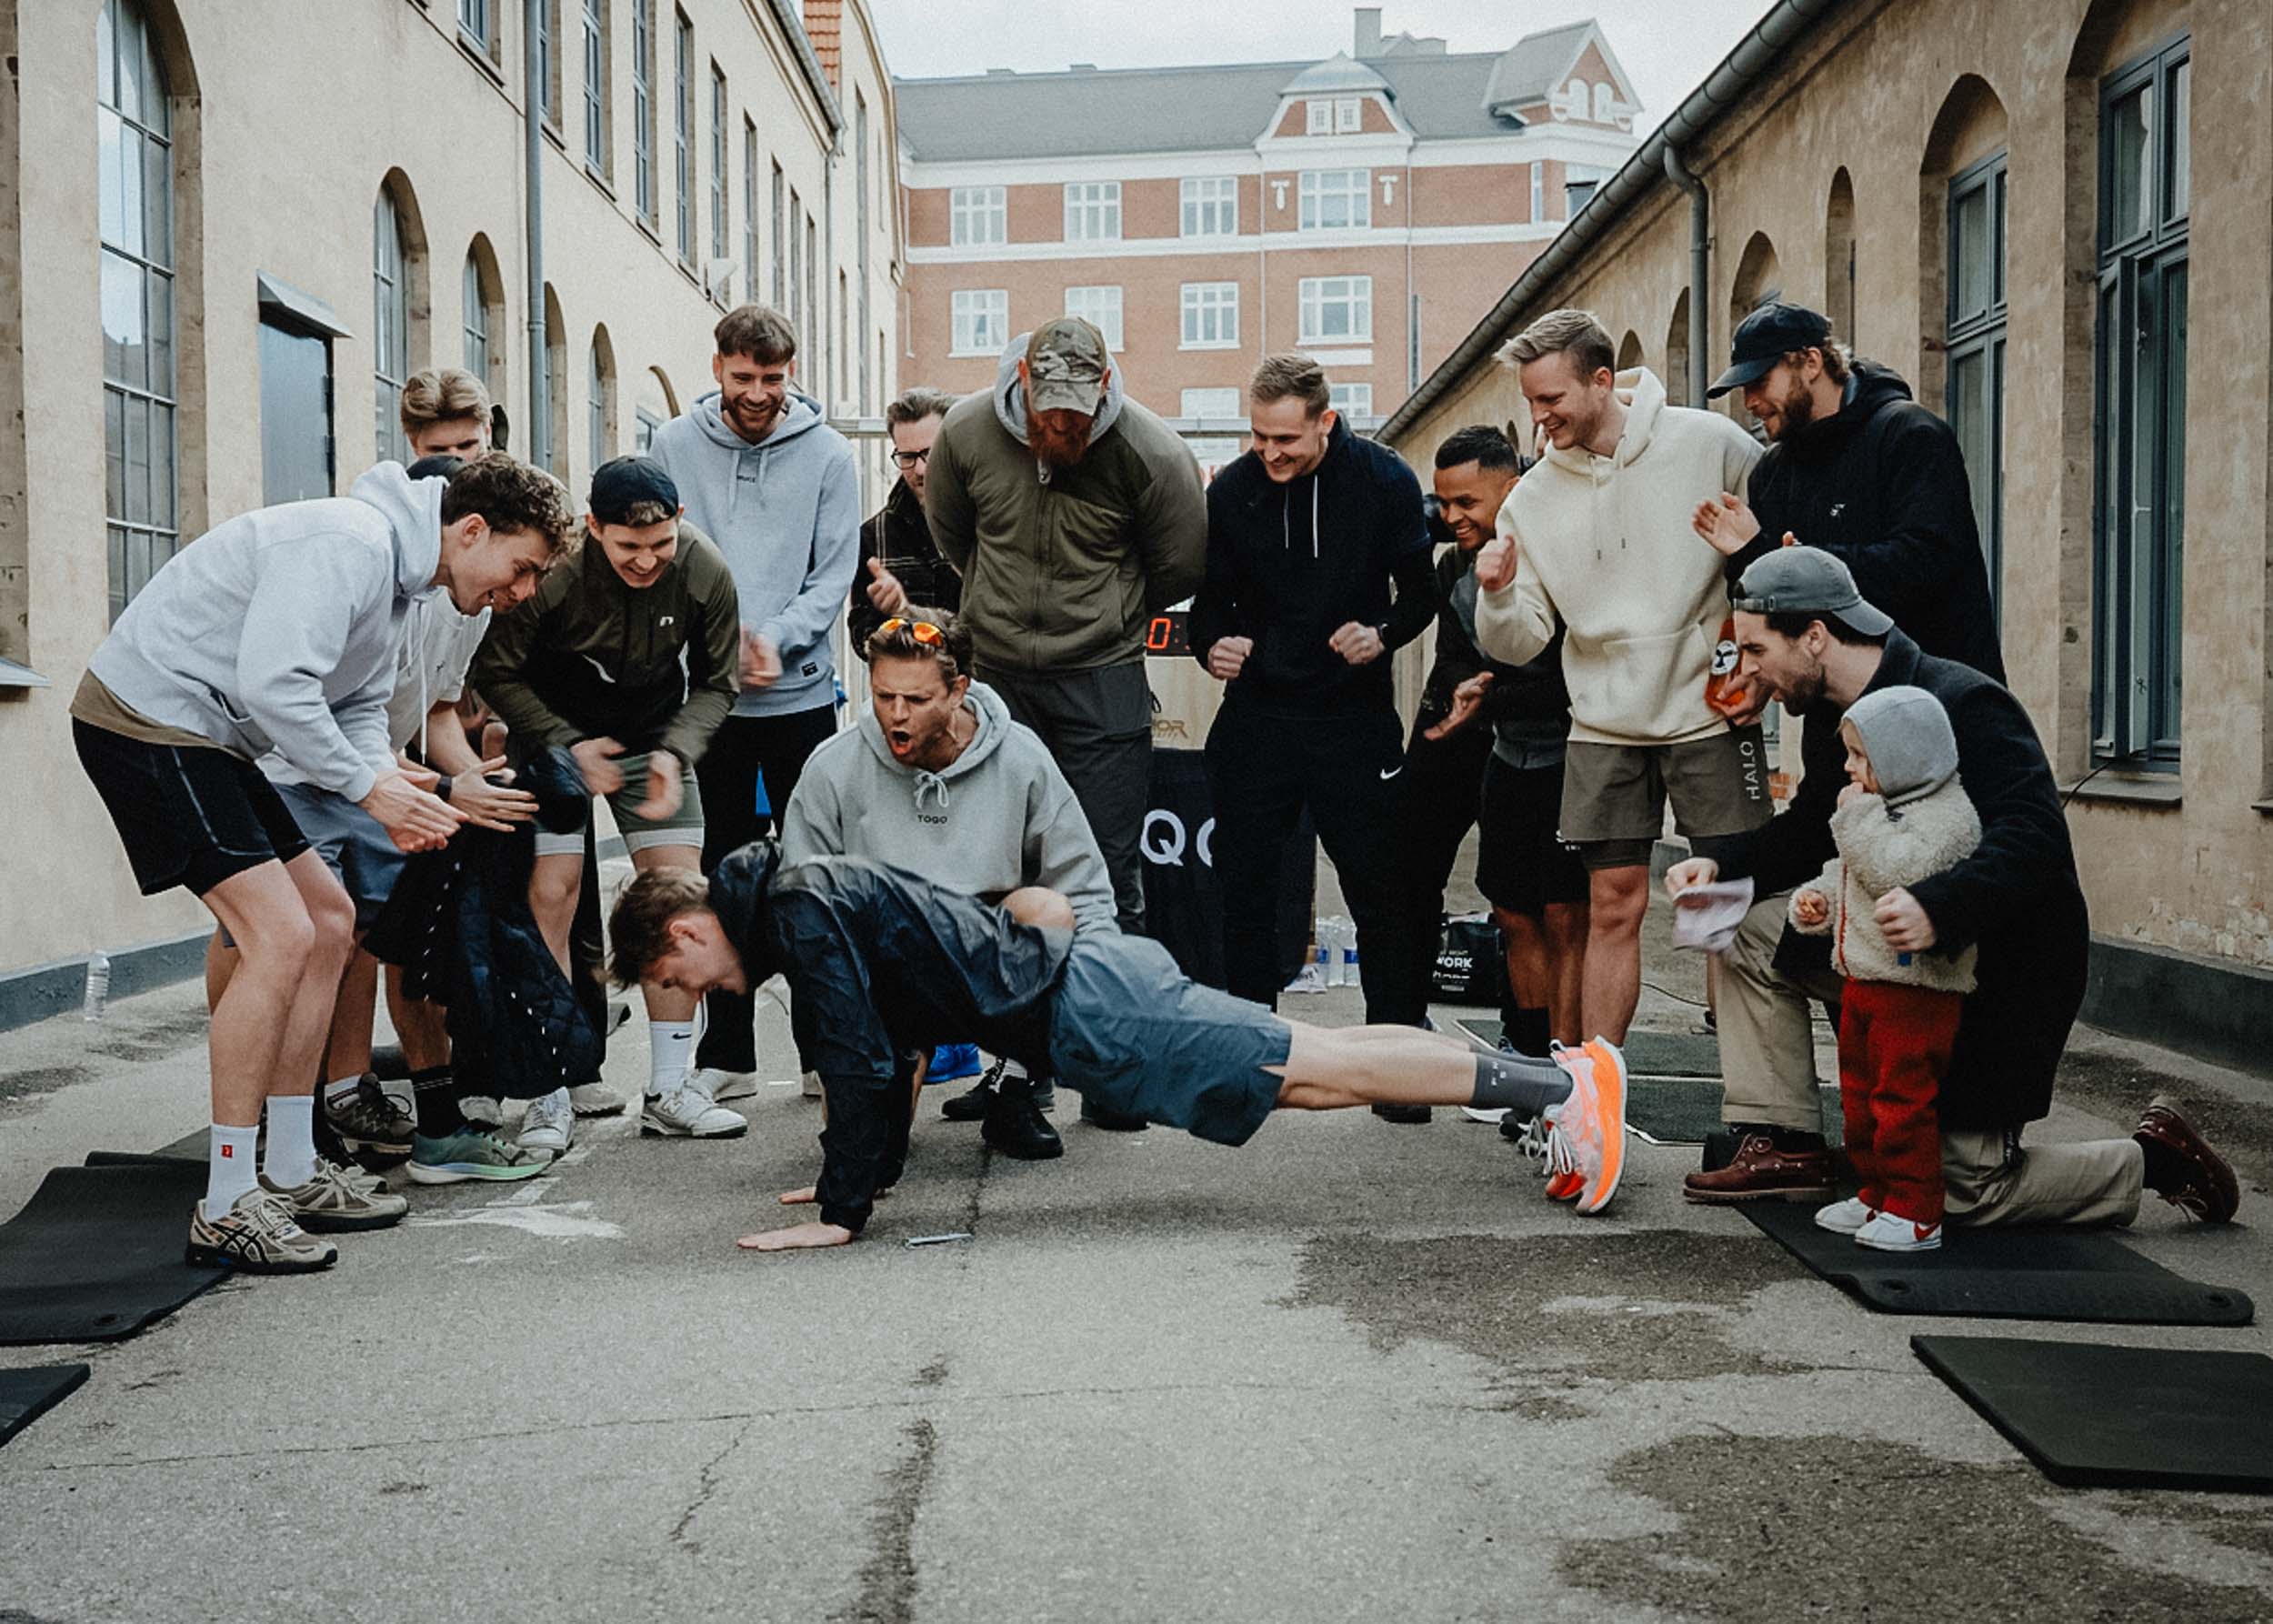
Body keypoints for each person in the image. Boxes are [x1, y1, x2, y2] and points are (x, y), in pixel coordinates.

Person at [606, 842, 1633, 1251]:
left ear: (685, 935)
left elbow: (861, 1056)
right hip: (1084, 1001)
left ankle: (1556, 1085)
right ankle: (1544, 1086)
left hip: (1086, 1007)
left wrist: (841, 1214)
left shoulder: (791, 906)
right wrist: (857, 1173)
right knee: (1308, 1075)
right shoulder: (796, 895)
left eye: (672, 979)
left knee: (1316, 1065)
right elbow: (894, 1043)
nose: (688, 996)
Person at [71, 453, 573, 1268]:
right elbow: (277, 686)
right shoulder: (353, 544)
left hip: (212, 735)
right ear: (473, 529)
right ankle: (229, 1201)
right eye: (521, 569)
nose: (520, 593)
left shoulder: (403, 584)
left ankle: (295, 1170)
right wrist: (371, 791)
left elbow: (359, 705)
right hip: (147, 718)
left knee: (331, 922)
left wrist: (386, 778)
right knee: (278, 936)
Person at [1668, 548, 2238, 1226]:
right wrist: (1722, 865)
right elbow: (1812, 832)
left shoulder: (1965, 701)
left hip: (2001, 979)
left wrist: (1940, 908)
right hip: (1893, 959)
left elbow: (2034, 838)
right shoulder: (1831, 715)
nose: (1749, 667)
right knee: (1747, 931)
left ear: (1814, 636)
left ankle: (2152, 1160)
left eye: (1757, 647)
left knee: (1962, 1192)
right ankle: (1786, 1143)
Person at [1473, 308, 1769, 1046]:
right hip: (1603, 724)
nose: (1539, 420)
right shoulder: (1532, 499)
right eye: (1530, 402)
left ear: (1603, 381)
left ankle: (1755, 1103)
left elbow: (1770, 577)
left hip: (1710, 711)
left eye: (1552, 400)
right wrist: (1499, 592)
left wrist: (1747, 673)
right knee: (1612, 907)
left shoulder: (1713, 445)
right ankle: (1596, 1096)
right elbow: (1518, 643)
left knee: (1727, 906)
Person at [473, 456, 746, 1146]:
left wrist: (675, 750)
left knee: (680, 900)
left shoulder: (705, 567)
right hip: (554, 737)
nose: (647, 561)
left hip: (654, 732)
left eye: (660, 546)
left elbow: (719, 682)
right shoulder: (556, 573)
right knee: (553, 896)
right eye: (628, 547)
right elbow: (498, 668)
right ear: (594, 528)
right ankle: (549, 1092)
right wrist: (563, 743)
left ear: (680, 523)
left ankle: (670, 1086)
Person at [781, 611, 1116, 1162]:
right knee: (872, 1150)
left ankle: (1014, 1088)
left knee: (1048, 912)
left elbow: (1083, 884)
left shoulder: (1021, 757)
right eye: (884, 695)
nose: (896, 714)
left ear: (958, 690)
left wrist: (1105, 989)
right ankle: (883, 1092)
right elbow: (797, 901)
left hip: (984, 956)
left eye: (915, 700)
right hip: (885, 969)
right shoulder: (833, 767)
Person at [924, 316, 1207, 939]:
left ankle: (1110, 1027)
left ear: (1105, 386)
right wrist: (999, 602)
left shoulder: (1152, 453)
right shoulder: (966, 433)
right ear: (1021, 377)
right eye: (1047, 412)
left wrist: (1107, 613)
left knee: (1105, 867)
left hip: (1101, 679)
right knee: (994, 859)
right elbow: (954, 536)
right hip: (997, 678)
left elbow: (1179, 565)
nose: (1059, 427)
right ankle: (1006, 1023)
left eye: (1076, 416)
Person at [1190, 356, 1435, 1064]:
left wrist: (1383, 634)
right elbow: (1210, 601)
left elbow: (1420, 592)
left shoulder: (1384, 479)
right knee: (1245, 889)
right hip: (1258, 719)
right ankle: (1249, 1052)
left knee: (1379, 890)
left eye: (1285, 440)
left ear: (1325, 422)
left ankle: (1395, 1056)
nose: (1269, 453)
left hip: (1351, 720)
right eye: (1259, 436)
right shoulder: (1234, 489)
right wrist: (1213, 646)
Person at [648, 304, 858, 1099]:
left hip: (800, 698)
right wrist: (719, 645)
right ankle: (728, 1055)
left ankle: (819, 1052)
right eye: (745, 378)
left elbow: (832, 574)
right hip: (711, 702)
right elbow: (661, 561)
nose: (760, 394)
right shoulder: (672, 446)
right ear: (718, 371)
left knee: (811, 872)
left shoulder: (830, 455)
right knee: (722, 873)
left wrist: (776, 638)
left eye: (774, 379)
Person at [1405, 426, 1589, 1068]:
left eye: (1466, 503)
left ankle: (1567, 1067)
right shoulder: (1454, 565)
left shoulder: (1559, 551)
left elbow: (1571, 676)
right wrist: (1464, 690)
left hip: (1571, 758)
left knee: (1565, 918)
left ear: (1511, 491)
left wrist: (1493, 694)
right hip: (1502, 754)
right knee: (1512, 914)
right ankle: (1526, 1055)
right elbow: (1454, 656)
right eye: (1444, 503)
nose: (1451, 517)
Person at [1693, 302, 2004, 681]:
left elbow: (1927, 565)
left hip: (1937, 700)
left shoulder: (1910, 435)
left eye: (1759, 382)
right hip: (1832, 715)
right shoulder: (1772, 474)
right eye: (1743, 389)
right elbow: (1773, 614)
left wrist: (1800, 562)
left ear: (1810, 362)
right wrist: (1749, 554)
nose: (1749, 403)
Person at [1787, 687, 1982, 1252]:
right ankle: (1876, 1192)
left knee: (1902, 1101)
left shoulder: (1946, 818)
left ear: (1904, 757)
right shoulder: (1879, 812)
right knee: (1858, 1097)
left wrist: (1857, 817)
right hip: (1868, 982)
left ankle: (1917, 1209)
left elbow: (1896, 870)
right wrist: (1819, 901)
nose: (1848, 768)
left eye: (1858, 756)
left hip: (1916, 991)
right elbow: (1848, 873)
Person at [850, 386, 961, 657]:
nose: (921, 470)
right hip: (911, 693)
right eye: (908, 457)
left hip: (989, 686)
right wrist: (889, 621)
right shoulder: (874, 536)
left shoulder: (990, 522)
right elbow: (861, 637)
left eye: (930, 453)